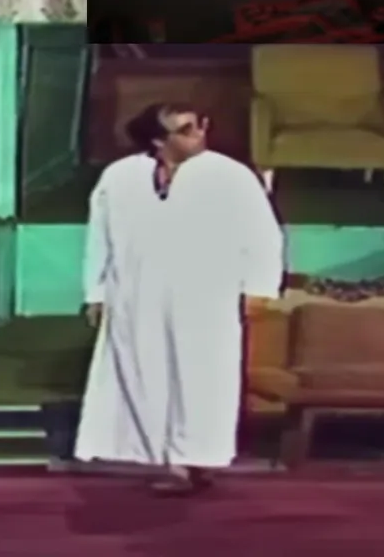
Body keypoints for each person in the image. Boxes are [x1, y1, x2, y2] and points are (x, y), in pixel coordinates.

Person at [73, 102, 284, 496]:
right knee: (145, 374)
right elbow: (99, 238)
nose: (198, 134)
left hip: (207, 296)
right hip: (136, 295)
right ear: (158, 140)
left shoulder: (231, 176)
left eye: (199, 125)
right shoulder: (120, 177)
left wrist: (259, 288)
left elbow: (263, 235)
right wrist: (96, 293)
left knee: (202, 378)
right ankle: (167, 458)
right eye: (185, 130)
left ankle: (192, 459)